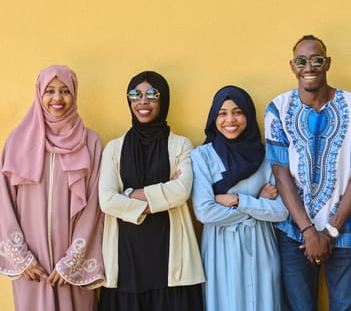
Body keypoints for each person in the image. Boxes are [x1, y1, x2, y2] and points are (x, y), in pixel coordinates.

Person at [264, 35, 351, 311]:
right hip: (294, 233)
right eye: (301, 61)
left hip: (346, 229)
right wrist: (308, 231)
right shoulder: (277, 109)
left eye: (316, 60)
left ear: (327, 63)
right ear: (292, 66)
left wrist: (331, 230)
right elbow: (281, 174)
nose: (309, 67)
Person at [0, 65, 105, 310]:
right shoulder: (17, 142)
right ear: (39, 93)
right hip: (32, 267)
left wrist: (72, 262)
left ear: (75, 94)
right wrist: (21, 258)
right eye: (50, 91)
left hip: (73, 267)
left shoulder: (91, 142)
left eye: (65, 91)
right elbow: (3, 204)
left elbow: (94, 208)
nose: (57, 98)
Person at [98, 71, 204, 311]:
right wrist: (161, 195)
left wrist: (126, 195)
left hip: (170, 261)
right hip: (126, 260)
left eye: (152, 94)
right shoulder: (114, 148)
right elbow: (106, 201)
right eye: (135, 95)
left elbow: (181, 191)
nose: (142, 101)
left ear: (163, 99)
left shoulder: (181, 144)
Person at [191, 85, 288, 311]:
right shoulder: (202, 156)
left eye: (238, 111)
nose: (230, 120)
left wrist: (238, 200)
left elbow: (281, 211)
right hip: (220, 246)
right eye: (222, 113)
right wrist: (258, 202)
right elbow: (205, 211)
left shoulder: (266, 155)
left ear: (248, 114)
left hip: (261, 244)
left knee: (263, 302)